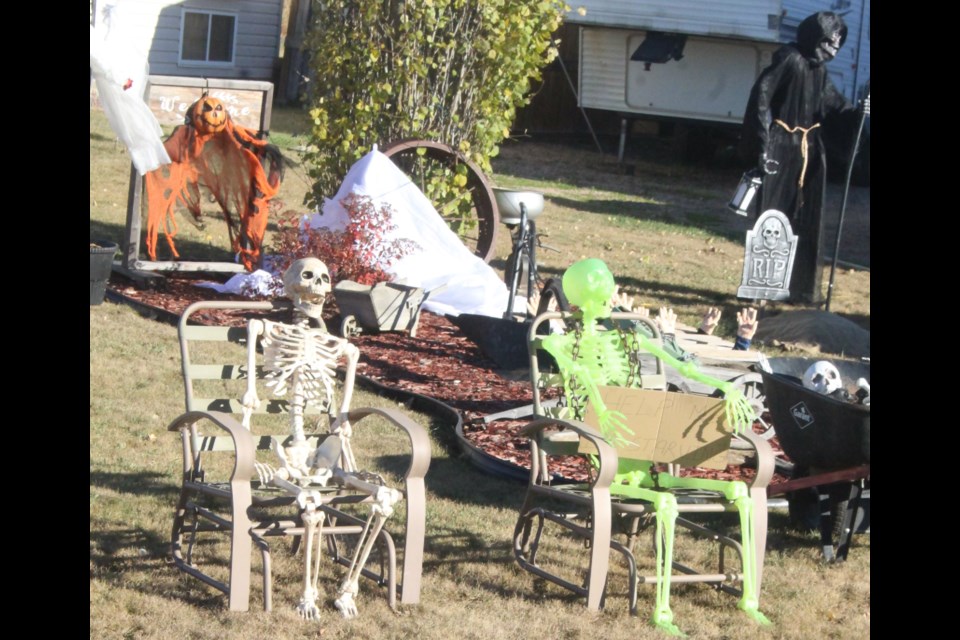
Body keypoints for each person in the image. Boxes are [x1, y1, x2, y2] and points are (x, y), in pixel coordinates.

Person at [740, 11, 859, 304]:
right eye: (829, 42)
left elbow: (832, 104)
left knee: (807, 217)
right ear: (815, 36)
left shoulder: (819, 71)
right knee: (773, 216)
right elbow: (761, 95)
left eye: (837, 45)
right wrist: (762, 144)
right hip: (782, 147)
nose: (832, 50)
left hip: (809, 151)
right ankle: (761, 288)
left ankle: (799, 288)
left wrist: (859, 112)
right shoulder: (790, 59)